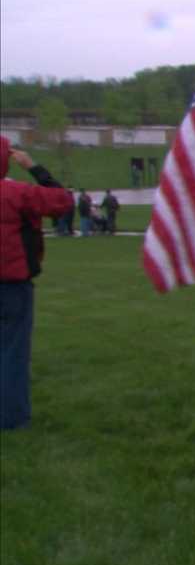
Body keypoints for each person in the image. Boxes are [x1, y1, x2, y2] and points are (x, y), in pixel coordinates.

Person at [1, 138, 74, 429]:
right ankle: (12, 418)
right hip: (13, 282)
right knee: (12, 351)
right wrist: (33, 167)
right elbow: (62, 201)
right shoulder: (17, 193)